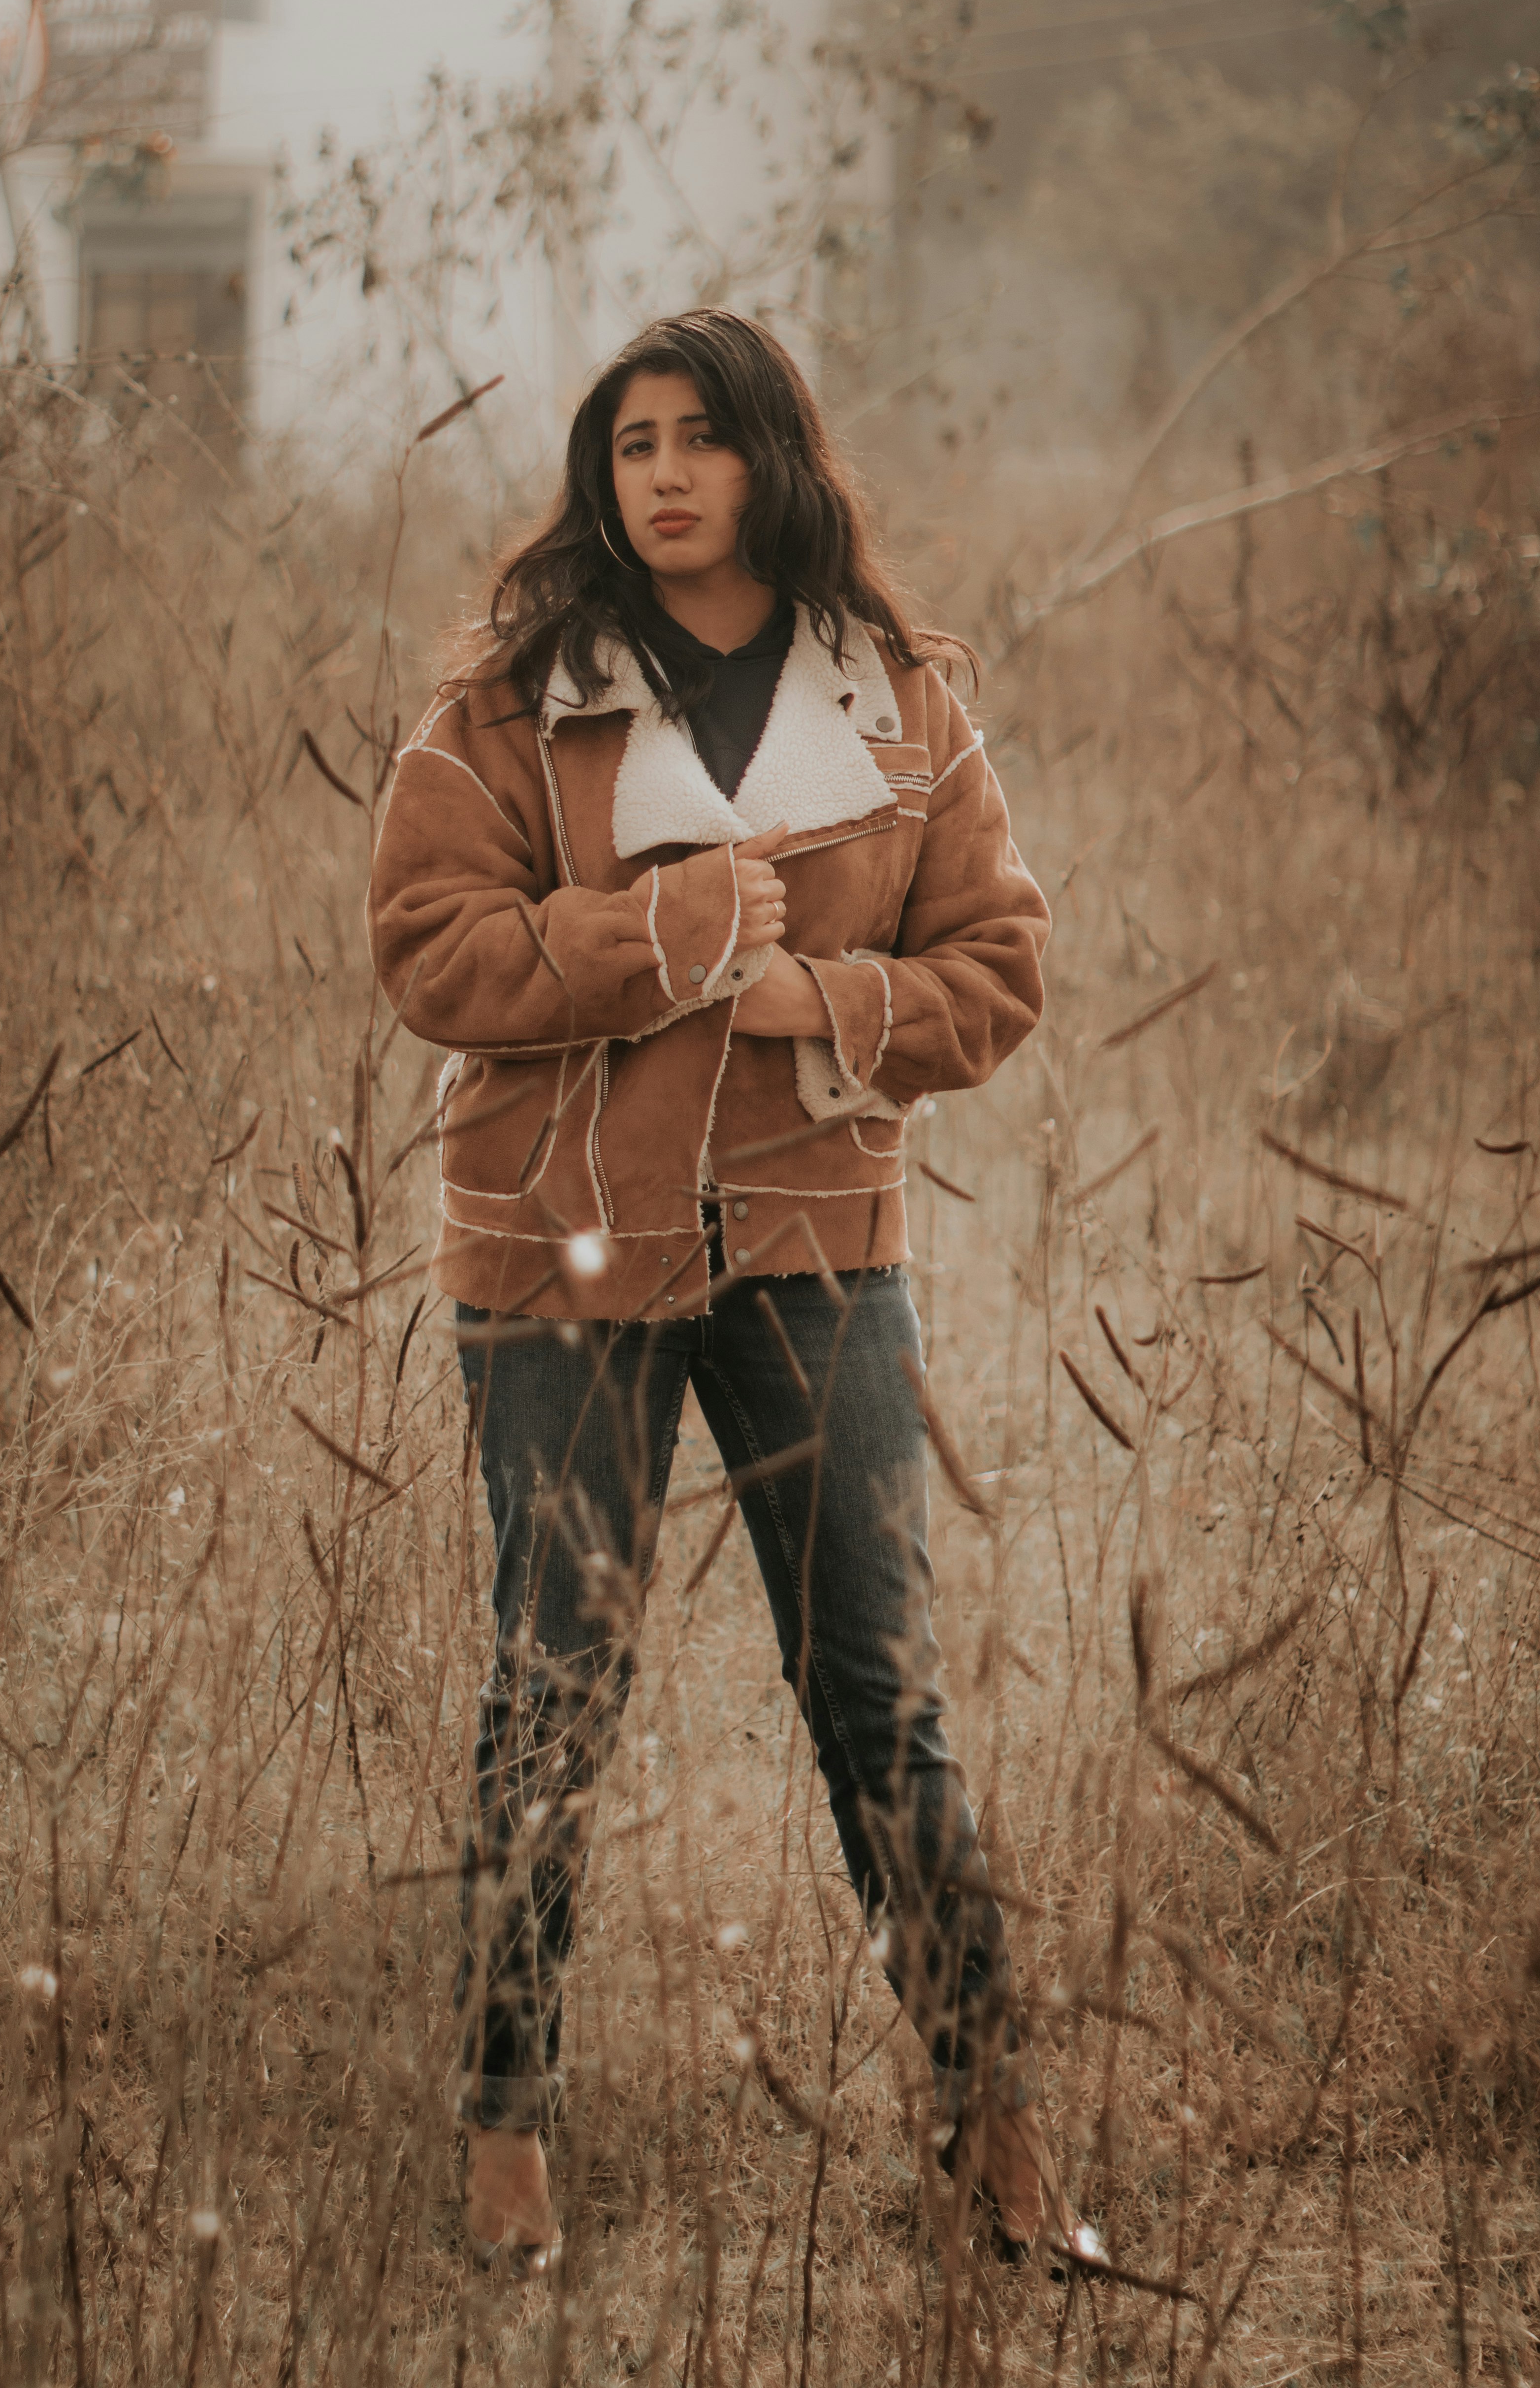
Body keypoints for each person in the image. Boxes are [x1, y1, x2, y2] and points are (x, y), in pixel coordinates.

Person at [368, 309, 1097, 2279]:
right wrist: (655, 938)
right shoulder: (513, 698)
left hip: (812, 1257)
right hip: (557, 1255)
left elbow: (1001, 966)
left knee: (879, 1694)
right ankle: (504, 2132)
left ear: (778, 458)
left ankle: (994, 2125)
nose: (664, 477)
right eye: (630, 445)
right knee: (552, 1693)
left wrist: (822, 1001)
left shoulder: (900, 704)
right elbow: (426, 950)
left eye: (700, 439)